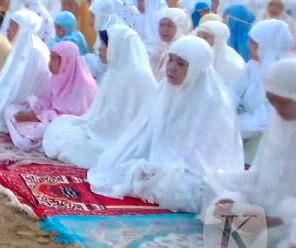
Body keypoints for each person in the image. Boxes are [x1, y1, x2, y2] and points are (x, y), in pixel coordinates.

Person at [88, 37, 244, 213]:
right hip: (162, 159)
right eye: (170, 59)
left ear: (196, 66)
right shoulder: (165, 89)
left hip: (192, 170)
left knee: (182, 189)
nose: (171, 67)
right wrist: (153, 163)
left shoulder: (213, 102)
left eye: (181, 63)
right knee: (120, 166)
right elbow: (146, 132)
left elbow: (204, 158)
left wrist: (167, 166)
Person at [208, 59, 296, 248]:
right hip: (265, 212)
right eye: (272, 102)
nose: (278, 109)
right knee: (218, 205)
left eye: (284, 102)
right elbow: (260, 175)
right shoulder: (277, 124)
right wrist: (227, 193)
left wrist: (274, 220)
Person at [44, 26, 157, 168]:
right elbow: (100, 111)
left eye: (104, 45)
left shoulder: (136, 77)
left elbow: (118, 120)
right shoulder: (115, 72)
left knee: (75, 145)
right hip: (104, 128)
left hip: (120, 136)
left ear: (116, 48)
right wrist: (90, 126)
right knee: (60, 127)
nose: (99, 49)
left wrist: (92, 129)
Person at [4, 40, 97, 151]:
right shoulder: (56, 78)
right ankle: (31, 139)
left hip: (66, 127)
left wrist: (35, 118)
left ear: (66, 62)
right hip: (47, 119)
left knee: (43, 130)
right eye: (50, 57)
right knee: (11, 110)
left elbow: (71, 119)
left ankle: (31, 140)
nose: (49, 62)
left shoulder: (83, 85)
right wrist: (34, 111)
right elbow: (45, 101)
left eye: (53, 58)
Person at [148, 8, 191, 80]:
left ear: (179, 27)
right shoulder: (158, 47)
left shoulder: (184, 51)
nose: (164, 29)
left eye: (169, 25)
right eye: (161, 25)